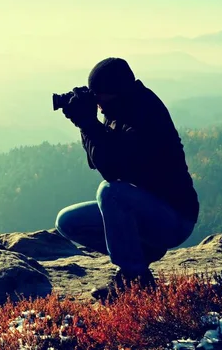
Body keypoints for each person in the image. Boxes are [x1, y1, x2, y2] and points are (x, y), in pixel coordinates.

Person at [55, 57, 199, 301]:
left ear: (117, 92)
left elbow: (113, 170)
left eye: (101, 97)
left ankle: (135, 278)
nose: (99, 104)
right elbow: (96, 161)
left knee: (110, 192)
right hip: (145, 212)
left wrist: (89, 123)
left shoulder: (145, 115)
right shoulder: (118, 109)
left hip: (174, 218)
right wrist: (84, 124)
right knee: (68, 221)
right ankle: (140, 255)